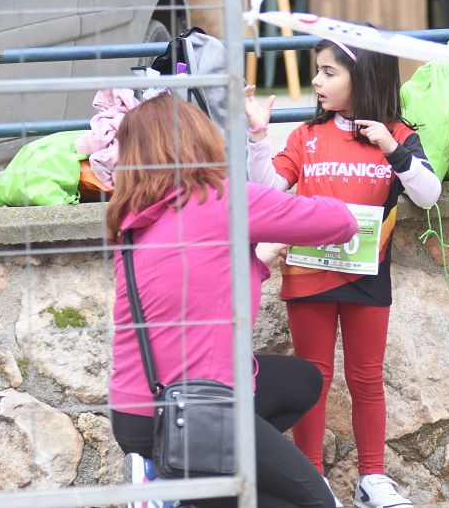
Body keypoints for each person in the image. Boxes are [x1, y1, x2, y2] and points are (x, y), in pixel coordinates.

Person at [107, 93, 359, 508]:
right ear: (198, 140)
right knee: (317, 502)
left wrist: (254, 261)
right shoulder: (221, 198)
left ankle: (179, 487)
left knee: (299, 381)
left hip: (134, 412)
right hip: (194, 410)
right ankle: (180, 484)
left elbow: (196, 291)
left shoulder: (133, 225)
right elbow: (340, 221)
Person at [244, 40, 442, 508]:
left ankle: (372, 478)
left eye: (328, 72)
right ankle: (311, 480)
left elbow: (429, 194)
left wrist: (393, 149)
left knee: (367, 377)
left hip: (367, 276)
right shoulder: (305, 136)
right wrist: (257, 138)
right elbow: (267, 190)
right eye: (318, 71)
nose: (316, 82)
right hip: (308, 273)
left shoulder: (398, 135)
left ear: (364, 76)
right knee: (314, 375)